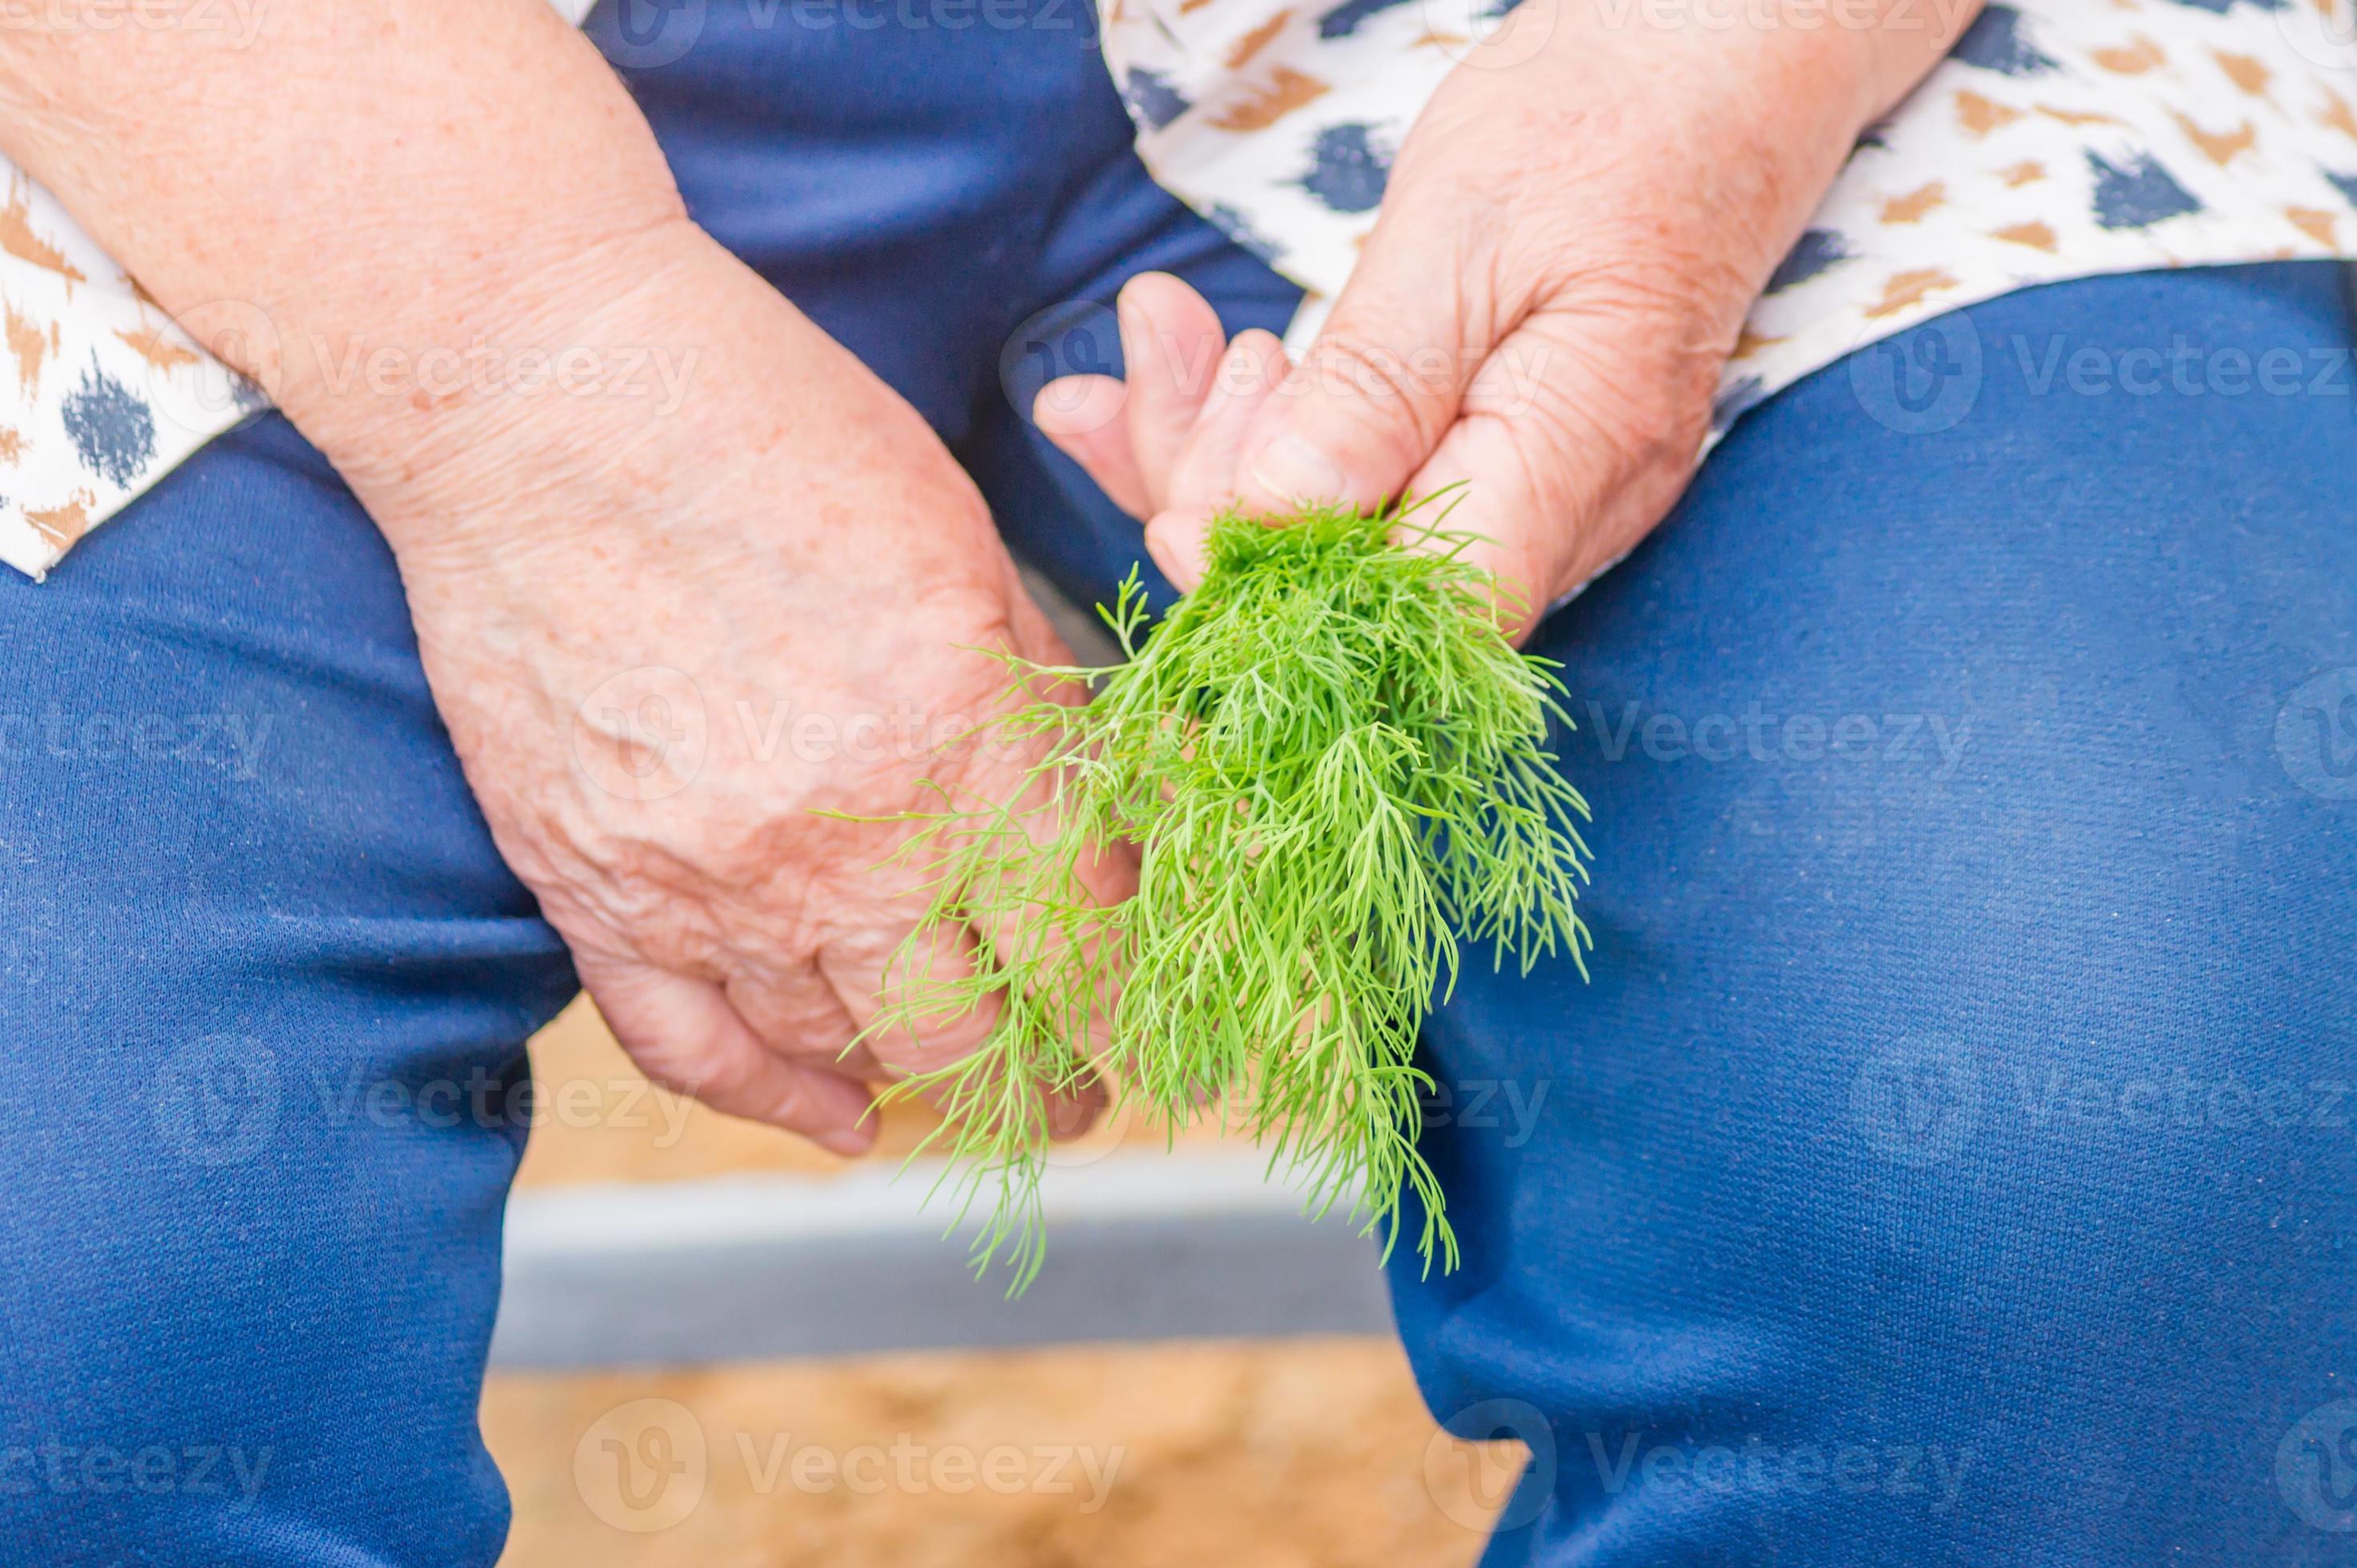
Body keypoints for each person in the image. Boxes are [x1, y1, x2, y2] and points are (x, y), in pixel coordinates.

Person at [0, 0, 2352, 1560]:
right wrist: (541, 383)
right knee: (68, 1321)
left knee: (2118, 1163)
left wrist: (1698, 79)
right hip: (194, 97)